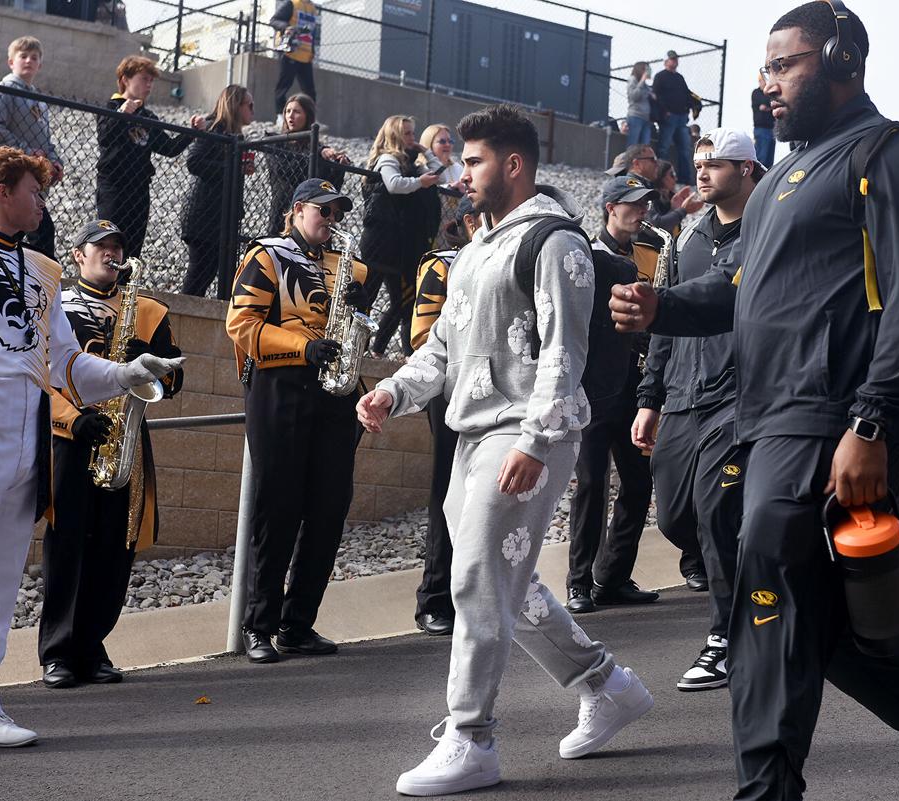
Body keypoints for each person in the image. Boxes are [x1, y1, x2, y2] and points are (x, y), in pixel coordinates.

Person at [611, 4, 899, 799]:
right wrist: (666, 308)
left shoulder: (890, 155)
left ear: (841, 61)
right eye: (765, 68)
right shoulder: (782, 182)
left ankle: (766, 791)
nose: (767, 85)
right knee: (803, 615)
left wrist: (870, 422)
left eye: (784, 64)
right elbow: (740, 289)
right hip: (766, 419)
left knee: (766, 594)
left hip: (836, 419)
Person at [358, 103, 652, 797]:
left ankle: (471, 737)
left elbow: (564, 351)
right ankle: (605, 684)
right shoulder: (477, 249)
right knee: (501, 583)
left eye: (475, 161)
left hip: (524, 433)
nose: (462, 174)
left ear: (514, 165)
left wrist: (535, 438)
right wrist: (392, 393)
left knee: (476, 581)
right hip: (472, 433)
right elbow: (442, 348)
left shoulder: (557, 243)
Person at [0, 146, 182, 763]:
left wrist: (128, 372)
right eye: (34, 190)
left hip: (27, 441)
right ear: (3, 191)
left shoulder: (43, 271)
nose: (42, 202)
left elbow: (68, 363)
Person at [633, 128, 761, 693]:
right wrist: (650, 399)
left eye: (717, 164)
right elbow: (665, 321)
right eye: (700, 163)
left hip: (739, 397)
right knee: (675, 519)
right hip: (683, 395)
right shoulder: (684, 237)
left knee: (718, 512)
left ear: (749, 171)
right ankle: (761, 595)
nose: (703, 172)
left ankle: (727, 637)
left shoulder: (768, 231)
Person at [225, 177, 369, 665]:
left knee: (329, 510)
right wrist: (301, 346)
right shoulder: (266, 256)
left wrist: (356, 314)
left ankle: (298, 624)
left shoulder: (349, 267)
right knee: (278, 508)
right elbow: (240, 325)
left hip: (333, 392)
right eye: (323, 212)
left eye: (336, 214)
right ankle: (258, 626)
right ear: (297, 210)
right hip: (281, 386)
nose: (331, 221)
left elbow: (351, 330)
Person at [39, 220, 184, 689]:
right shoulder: (55, 305)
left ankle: (92, 645)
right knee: (67, 544)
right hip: (72, 436)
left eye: (118, 245)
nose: (111, 252)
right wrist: (70, 419)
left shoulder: (149, 309)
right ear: (78, 255)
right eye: (100, 246)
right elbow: (40, 371)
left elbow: (175, 379)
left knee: (115, 547)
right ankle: (58, 652)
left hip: (126, 440)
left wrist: (152, 366)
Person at [563, 174, 660, 616]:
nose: (643, 212)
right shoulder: (584, 253)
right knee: (592, 484)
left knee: (639, 484)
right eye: (634, 205)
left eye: (645, 205)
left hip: (635, 388)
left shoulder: (651, 252)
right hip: (595, 390)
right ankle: (578, 583)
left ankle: (613, 577)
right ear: (610, 208)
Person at [409, 195, 481, 636]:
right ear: (469, 221)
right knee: (446, 489)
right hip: (452, 388)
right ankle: (434, 599)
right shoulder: (442, 264)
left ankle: (469, 594)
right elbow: (422, 333)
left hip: (494, 390)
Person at [96, 55, 204, 259]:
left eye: (151, 80)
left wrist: (192, 132)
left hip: (139, 189)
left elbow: (169, 147)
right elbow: (104, 137)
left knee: (133, 248)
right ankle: (104, 287)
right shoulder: (111, 106)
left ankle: (126, 287)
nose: (149, 84)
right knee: (110, 243)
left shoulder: (148, 117)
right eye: (144, 78)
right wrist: (122, 114)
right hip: (114, 186)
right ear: (126, 79)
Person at [360, 115, 442, 358]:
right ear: (395, 135)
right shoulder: (388, 159)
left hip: (396, 243)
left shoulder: (409, 162)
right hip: (379, 239)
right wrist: (419, 181)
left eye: (413, 133)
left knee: (401, 300)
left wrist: (426, 151)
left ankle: (396, 352)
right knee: (369, 294)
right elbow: (394, 184)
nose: (412, 138)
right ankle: (360, 347)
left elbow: (440, 174)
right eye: (407, 134)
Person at [0, 36, 62, 260]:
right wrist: (26, 152)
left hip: (32, 179)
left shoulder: (39, 99)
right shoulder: (6, 89)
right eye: (23, 56)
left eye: (34, 57)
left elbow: (46, 140)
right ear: (11, 62)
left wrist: (55, 161)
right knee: (38, 232)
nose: (28, 60)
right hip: (14, 174)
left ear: (40, 65)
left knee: (34, 231)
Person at [181, 84, 256, 297]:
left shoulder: (234, 136)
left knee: (214, 274)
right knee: (199, 275)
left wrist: (240, 169)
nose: (253, 110)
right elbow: (194, 162)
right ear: (236, 105)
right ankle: (178, 325)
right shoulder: (214, 127)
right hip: (204, 215)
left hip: (221, 217)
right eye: (249, 105)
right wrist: (233, 168)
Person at [266, 93, 350, 249]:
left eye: (297, 111)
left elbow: (330, 189)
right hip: (282, 212)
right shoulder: (275, 143)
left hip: (312, 221)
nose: (290, 115)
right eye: (288, 111)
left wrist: (337, 166)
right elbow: (284, 169)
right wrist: (318, 153)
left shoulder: (317, 149)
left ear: (307, 116)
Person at [652, 50, 701, 186]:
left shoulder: (679, 78)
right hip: (669, 117)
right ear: (666, 61)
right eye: (672, 59)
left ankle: (685, 179)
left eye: (676, 59)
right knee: (664, 147)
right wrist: (664, 111)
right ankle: (661, 176)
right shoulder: (660, 77)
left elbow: (687, 94)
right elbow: (655, 95)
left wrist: (693, 105)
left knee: (685, 148)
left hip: (681, 118)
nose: (675, 61)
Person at [269, 0, 320, 117]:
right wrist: (286, 27)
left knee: (310, 91)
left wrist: (312, 51)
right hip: (290, 53)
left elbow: (312, 31)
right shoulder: (291, 4)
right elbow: (274, 21)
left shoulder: (313, 8)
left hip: (305, 56)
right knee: (283, 86)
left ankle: (310, 118)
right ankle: (280, 116)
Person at [419, 123, 464, 187]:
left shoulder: (457, 168)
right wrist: (450, 187)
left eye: (450, 141)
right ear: (429, 145)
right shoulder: (422, 169)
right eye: (442, 141)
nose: (448, 145)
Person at [626, 62, 654, 147]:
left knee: (645, 146)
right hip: (636, 116)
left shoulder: (645, 85)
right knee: (633, 144)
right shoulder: (633, 80)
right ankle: (629, 160)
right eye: (647, 69)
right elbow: (634, 96)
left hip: (646, 118)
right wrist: (642, 81)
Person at [751, 84, 775, 167]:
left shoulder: (771, 93)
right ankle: (758, 178)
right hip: (761, 129)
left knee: (769, 160)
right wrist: (770, 108)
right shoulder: (757, 93)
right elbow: (764, 105)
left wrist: (769, 108)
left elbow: (773, 103)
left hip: (772, 129)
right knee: (762, 159)